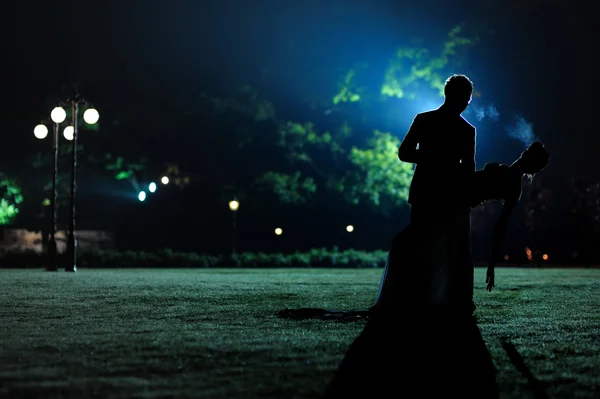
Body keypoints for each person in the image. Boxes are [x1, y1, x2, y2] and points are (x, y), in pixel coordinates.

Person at [379, 74, 477, 316]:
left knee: (424, 248)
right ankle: (443, 299)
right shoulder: (465, 130)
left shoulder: (425, 120)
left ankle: (420, 298)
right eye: (465, 98)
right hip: (448, 197)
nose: (466, 103)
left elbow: (405, 153)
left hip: (428, 194)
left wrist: (427, 159)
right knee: (447, 250)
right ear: (461, 99)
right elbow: (468, 169)